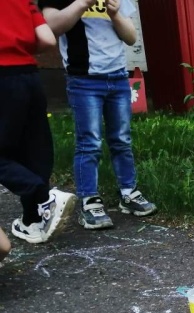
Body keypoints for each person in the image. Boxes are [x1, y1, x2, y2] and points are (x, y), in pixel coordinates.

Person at [40, 0, 156, 230]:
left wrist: (114, 15)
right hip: (84, 80)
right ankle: (90, 199)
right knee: (89, 142)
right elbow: (52, 27)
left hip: (118, 77)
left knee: (121, 139)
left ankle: (128, 192)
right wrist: (82, 3)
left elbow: (131, 37)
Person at [1, 0, 76, 247]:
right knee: (33, 150)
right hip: (30, 77)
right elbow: (47, 39)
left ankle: (44, 198)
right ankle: (33, 220)